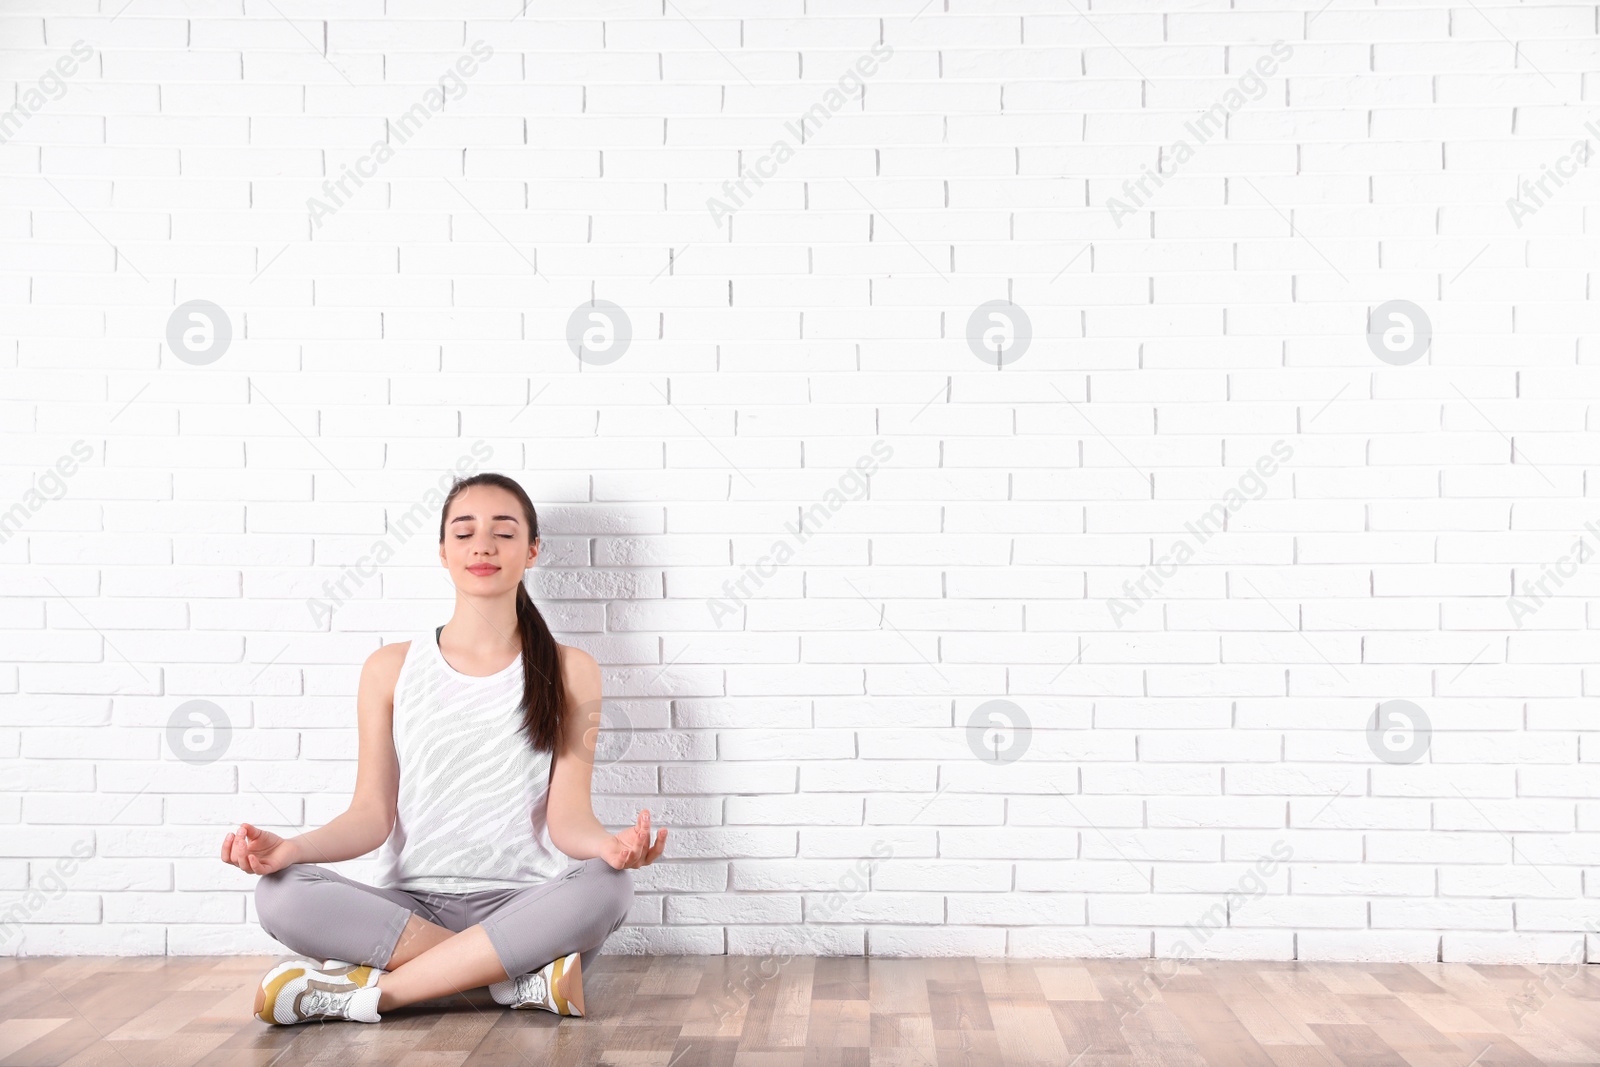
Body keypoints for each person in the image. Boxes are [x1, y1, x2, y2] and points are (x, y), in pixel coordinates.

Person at [223, 473, 666, 1025]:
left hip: (524, 909)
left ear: (531, 551)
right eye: (464, 532)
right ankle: (515, 982)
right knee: (280, 893)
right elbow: (369, 816)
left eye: (504, 533)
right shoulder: (389, 670)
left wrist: (612, 847)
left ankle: (374, 994)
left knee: (608, 887)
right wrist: (291, 849)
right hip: (408, 910)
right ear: (442, 552)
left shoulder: (573, 670)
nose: (483, 545)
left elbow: (569, 820)